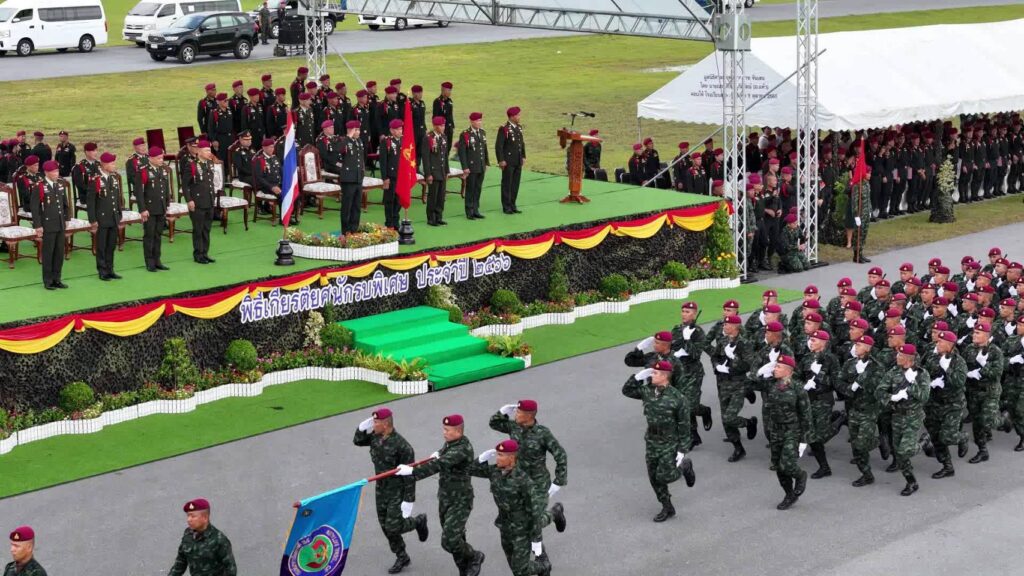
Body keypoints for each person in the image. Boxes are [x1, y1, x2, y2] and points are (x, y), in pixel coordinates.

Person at [397, 415, 485, 576]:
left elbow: (440, 464)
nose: (444, 432)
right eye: (444, 429)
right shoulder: (451, 443)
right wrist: (438, 452)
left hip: (460, 501)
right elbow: (442, 454)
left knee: (449, 541)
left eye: (447, 430)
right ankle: (464, 570)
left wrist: (412, 471)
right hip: (445, 498)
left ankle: (474, 556)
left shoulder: (462, 449)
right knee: (457, 539)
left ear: (458, 431)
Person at [354, 408, 429, 574]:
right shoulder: (376, 438)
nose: (373, 425)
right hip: (381, 488)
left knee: (393, 527)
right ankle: (402, 556)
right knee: (385, 526)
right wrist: (362, 427)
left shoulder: (403, 446)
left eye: (376, 422)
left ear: (386, 424)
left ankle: (417, 522)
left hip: (397, 490)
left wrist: (409, 499)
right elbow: (358, 441)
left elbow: (410, 475)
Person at [488, 400, 568, 552]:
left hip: (538, 483)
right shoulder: (514, 427)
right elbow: (494, 423)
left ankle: (540, 555)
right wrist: (502, 412)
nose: (516, 414)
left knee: (533, 520)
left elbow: (560, 454)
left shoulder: (542, 433)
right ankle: (554, 513)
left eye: (519, 412)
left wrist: (559, 480)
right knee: (522, 519)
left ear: (529, 416)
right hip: (517, 482)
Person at [621, 360, 696, 522]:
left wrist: (683, 449)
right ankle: (667, 507)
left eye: (655, 373)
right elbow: (626, 391)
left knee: (665, 476)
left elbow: (684, 425)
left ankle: (684, 467)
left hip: (669, 442)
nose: (651, 375)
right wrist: (637, 377)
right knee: (653, 477)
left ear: (664, 376)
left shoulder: (678, 398)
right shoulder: (647, 391)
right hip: (651, 441)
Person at [468, 440, 552, 576]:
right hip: (504, 526)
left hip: (522, 529)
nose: (497, 458)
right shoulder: (495, 471)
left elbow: (534, 512)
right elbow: (470, 470)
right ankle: (554, 513)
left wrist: (537, 540)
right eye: (497, 454)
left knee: (520, 569)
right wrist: (481, 459)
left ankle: (543, 567)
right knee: (514, 566)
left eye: (501, 455)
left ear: (512, 458)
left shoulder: (523, 481)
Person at [749, 355, 810, 510]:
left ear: (788, 371)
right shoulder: (771, 384)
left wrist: (804, 439)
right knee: (778, 466)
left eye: (778, 367)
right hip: (775, 429)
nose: (775, 369)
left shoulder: (797, 388)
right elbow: (749, 383)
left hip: (792, 430)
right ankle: (789, 494)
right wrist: (760, 372)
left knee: (787, 465)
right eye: (775, 367)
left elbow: (806, 415)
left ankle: (800, 475)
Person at [876, 344, 931, 496]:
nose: (897, 357)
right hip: (897, 416)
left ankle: (924, 442)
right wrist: (892, 397)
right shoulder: (894, 372)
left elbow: (924, 397)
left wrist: (912, 384)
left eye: (900, 355)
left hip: (913, 417)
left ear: (908, 359)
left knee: (904, 450)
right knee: (899, 454)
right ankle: (911, 482)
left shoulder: (921, 374)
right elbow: (879, 391)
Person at [922, 329, 969, 479]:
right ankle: (947, 466)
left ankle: (963, 437)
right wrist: (930, 382)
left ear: (950, 345)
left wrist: (947, 368)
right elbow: (923, 373)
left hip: (952, 404)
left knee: (947, 436)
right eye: (938, 341)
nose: (938, 344)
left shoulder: (958, 362)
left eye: (941, 342)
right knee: (936, 437)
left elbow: (959, 382)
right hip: (934, 403)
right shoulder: (932, 357)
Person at [711, 314, 757, 462]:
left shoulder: (745, 344)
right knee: (725, 420)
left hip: (738, 384)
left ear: (735, 327)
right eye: (724, 324)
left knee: (729, 417)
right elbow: (714, 356)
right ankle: (738, 448)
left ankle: (749, 423)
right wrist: (717, 366)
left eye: (727, 324)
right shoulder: (723, 341)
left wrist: (734, 359)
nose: (724, 326)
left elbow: (749, 364)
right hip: (723, 384)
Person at [670, 301, 713, 445]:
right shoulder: (676, 329)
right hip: (677, 372)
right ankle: (693, 434)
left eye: (687, 312)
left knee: (691, 406)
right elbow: (671, 346)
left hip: (693, 372)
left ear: (694, 315)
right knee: (682, 404)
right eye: (683, 311)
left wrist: (687, 340)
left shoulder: (698, 332)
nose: (684, 314)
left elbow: (696, 354)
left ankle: (704, 411)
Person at [964, 322, 1005, 463]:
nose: (974, 335)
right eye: (974, 332)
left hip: (990, 391)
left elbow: (997, 373)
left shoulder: (995, 351)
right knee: (977, 423)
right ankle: (982, 451)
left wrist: (983, 365)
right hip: (974, 391)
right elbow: (963, 366)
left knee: (987, 420)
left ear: (986, 336)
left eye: (978, 333)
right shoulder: (969, 349)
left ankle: (1004, 420)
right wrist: (968, 374)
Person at [168, 499, 236, 576]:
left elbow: (231, 570)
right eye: (188, 516)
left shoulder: (219, 540)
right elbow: (180, 563)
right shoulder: (188, 535)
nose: (189, 520)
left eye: (193, 516)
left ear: (205, 518)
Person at [32, 161, 69, 290]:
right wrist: (38, 226)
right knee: (48, 253)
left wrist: (67, 218)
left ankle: (57, 279)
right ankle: (48, 281)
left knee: (59, 253)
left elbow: (65, 204)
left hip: (60, 223)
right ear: (47, 173)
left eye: (57, 171)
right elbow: (35, 208)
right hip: (48, 224)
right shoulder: (40, 186)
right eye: (53, 172)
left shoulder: (60, 184)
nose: (56, 174)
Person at [87, 152, 123, 281]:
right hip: (101, 218)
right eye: (112, 163)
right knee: (101, 246)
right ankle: (102, 271)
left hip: (113, 217)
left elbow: (117, 198)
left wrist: (119, 214)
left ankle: (110, 269)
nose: (114, 165)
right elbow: (91, 202)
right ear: (104, 164)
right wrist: (93, 220)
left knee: (111, 245)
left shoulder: (113, 178)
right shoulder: (95, 180)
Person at [182, 140, 217, 264]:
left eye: (210, 150)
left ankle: (205, 253)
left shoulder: (209, 163)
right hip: (197, 202)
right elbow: (185, 185)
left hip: (209, 201)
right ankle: (198, 254)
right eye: (206, 150)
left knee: (206, 229)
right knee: (198, 229)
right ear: (199, 151)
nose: (209, 152)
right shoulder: (191, 165)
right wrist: (189, 200)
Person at [139, 147, 171, 272]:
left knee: (158, 235)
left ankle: (157, 260)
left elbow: (165, 188)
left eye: (162, 158)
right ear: (151, 158)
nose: (161, 160)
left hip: (160, 208)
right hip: (149, 209)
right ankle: (149, 262)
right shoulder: (143, 171)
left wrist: (166, 204)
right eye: (158, 158)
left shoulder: (162, 170)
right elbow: (139, 192)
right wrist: (143, 209)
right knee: (149, 235)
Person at [457, 112, 489, 220]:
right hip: (471, 166)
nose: (479, 122)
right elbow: (462, 152)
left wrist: (486, 162)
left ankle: (476, 210)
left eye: (480, 120)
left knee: (478, 188)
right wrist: (465, 167)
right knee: (470, 189)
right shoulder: (465, 134)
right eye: (477, 120)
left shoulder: (482, 132)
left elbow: (484, 149)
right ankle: (469, 211)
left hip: (481, 165)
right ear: (471, 121)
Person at [336, 120, 365, 234]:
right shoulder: (344, 141)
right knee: (347, 206)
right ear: (350, 130)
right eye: (356, 130)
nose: (358, 132)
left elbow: (361, 159)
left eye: (359, 129)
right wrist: (348, 137)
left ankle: (354, 228)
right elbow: (338, 150)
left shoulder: (359, 141)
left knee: (357, 205)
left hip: (358, 177)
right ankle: (346, 230)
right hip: (348, 178)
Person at [496, 107, 526, 214]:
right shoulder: (504, 129)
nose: (519, 117)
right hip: (508, 161)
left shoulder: (519, 127)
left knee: (515, 184)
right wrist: (501, 160)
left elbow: (521, 143)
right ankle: (506, 206)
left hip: (517, 160)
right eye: (517, 115)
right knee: (507, 184)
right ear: (512, 117)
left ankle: (513, 204)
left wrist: (523, 156)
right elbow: (499, 146)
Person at [252, 137, 290, 223]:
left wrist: (287, 183)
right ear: (264, 148)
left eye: (272, 147)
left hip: (278, 185)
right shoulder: (259, 160)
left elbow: (282, 172)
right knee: (282, 195)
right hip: (266, 187)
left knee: (293, 192)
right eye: (269, 147)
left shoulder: (275, 158)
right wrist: (271, 187)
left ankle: (290, 215)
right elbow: (259, 178)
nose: (272, 149)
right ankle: (283, 219)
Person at [421, 116, 450, 227]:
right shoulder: (428, 138)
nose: (443, 127)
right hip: (433, 171)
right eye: (441, 126)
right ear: (435, 126)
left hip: (442, 171)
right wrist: (428, 174)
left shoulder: (444, 137)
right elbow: (426, 157)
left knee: (441, 196)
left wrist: (446, 171)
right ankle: (431, 218)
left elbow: (445, 156)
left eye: (444, 125)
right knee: (433, 196)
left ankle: (439, 216)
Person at [378, 119, 404, 229]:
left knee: (399, 199)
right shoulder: (386, 141)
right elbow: (383, 161)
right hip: (391, 175)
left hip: (401, 175)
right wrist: (385, 177)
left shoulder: (403, 140)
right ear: (392, 130)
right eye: (398, 129)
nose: (400, 131)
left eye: (401, 129)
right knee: (390, 200)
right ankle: (389, 222)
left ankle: (395, 220)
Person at [71, 142, 100, 207]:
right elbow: (80, 185)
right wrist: (95, 191)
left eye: (96, 150)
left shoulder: (99, 164)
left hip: (100, 194)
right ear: (86, 152)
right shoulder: (79, 166)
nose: (95, 153)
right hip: (87, 196)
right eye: (93, 151)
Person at [208, 93, 234, 161]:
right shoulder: (214, 113)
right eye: (225, 100)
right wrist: (213, 140)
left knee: (231, 158)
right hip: (221, 139)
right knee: (222, 159)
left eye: (227, 100)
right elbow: (210, 128)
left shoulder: (229, 110)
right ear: (219, 102)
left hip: (230, 138)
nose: (227, 102)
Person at [433, 82, 455, 147]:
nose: (450, 92)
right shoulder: (437, 101)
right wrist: (437, 129)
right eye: (449, 90)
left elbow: (450, 115)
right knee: (441, 147)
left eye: (450, 90)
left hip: (449, 129)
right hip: (442, 129)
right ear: (443, 90)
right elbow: (435, 117)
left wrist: (452, 126)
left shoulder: (450, 101)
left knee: (448, 146)